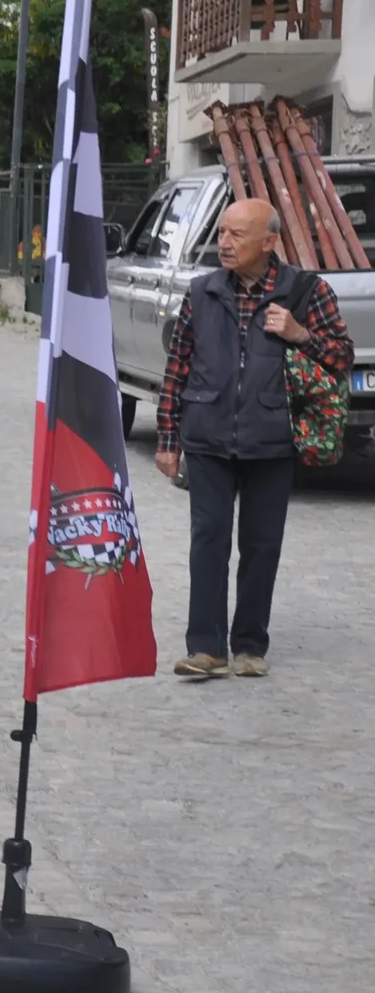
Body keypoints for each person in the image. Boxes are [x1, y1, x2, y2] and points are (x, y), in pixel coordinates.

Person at [154, 196, 353, 677]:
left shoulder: (307, 292)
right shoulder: (201, 292)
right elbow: (177, 368)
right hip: (208, 435)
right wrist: (167, 439)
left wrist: (300, 333)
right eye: (222, 232)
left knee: (262, 545)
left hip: (272, 437)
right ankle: (206, 648)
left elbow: (342, 357)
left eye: (236, 235)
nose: (224, 242)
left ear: (269, 242)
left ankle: (249, 645)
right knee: (208, 540)